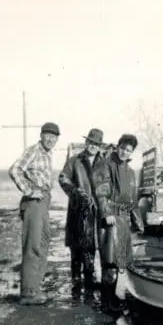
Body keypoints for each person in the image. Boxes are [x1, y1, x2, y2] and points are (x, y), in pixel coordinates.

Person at [92, 133, 144, 316]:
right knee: (109, 262)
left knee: (121, 261)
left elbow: (132, 198)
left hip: (123, 219)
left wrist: (138, 220)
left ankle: (113, 298)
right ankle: (107, 304)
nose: (124, 152)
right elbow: (101, 191)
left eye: (128, 150)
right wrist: (106, 213)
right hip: (110, 219)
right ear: (117, 146)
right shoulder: (105, 164)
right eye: (122, 148)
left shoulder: (130, 172)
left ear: (132, 152)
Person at [8, 122, 60, 305]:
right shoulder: (34, 151)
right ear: (41, 135)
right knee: (33, 245)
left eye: (54, 137)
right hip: (34, 201)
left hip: (44, 200)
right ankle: (28, 293)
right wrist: (29, 191)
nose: (50, 139)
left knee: (44, 243)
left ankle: (35, 288)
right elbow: (15, 169)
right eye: (48, 135)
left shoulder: (47, 154)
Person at [58, 128, 108, 301]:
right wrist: (74, 192)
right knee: (76, 246)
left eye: (96, 144)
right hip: (77, 209)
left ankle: (88, 281)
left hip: (96, 211)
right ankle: (75, 282)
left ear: (99, 146)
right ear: (86, 142)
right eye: (91, 142)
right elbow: (63, 178)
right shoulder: (75, 160)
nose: (93, 146)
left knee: (90, 245)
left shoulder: (104, 162)